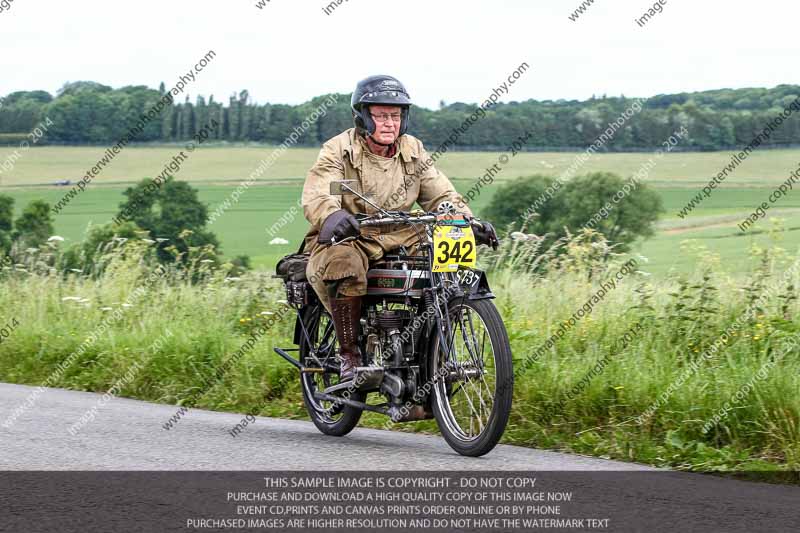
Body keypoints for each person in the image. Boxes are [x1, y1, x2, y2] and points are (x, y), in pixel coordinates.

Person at [302, 75, 499, 381]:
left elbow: (441, 194)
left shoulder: (413, 150)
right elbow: (317, 191)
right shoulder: (338, 148)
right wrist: (331, 215)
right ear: (363, 117)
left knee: (446, 258)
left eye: (395, 115)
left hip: (401, 232)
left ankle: (428, 351)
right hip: (351, 235)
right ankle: (350, 353)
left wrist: (466, 221)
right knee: (345, 264)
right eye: (381, 116)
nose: (389, 123)